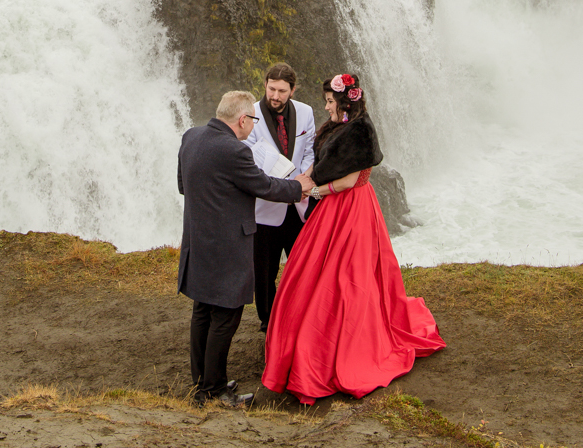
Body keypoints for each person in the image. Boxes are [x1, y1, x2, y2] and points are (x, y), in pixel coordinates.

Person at [260, 73, 444, 404]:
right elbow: (322, 165)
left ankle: (336, 340)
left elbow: (348, 181)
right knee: (320, 270)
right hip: (334, 208)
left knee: (346, 275)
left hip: (351, 208)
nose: (326, 107)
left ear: (345, 104)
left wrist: (313, 191)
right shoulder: (339, 126)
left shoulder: (360, 132)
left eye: (330, 102)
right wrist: (303, 181)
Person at [178, 90, 314, 407]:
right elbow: (263, 186)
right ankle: (215, 391)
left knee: (202, 313)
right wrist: (298, 187)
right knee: (225, 317)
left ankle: (201, 384)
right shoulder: (235, 150)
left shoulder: (191, 136)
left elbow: (184, 185)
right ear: (242, 120)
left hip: (198, 241)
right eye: (253, 120)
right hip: (227, 247)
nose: (254, 126)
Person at [244, 62, 318, 332]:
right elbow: (248, 158)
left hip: (299, 205)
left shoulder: (306, 112)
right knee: (264, 272)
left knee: (303, 267)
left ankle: (302, 315)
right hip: (265, 208)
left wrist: (303, 180)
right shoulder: (249, 114)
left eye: (282, 91)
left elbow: (310, 150)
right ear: (265, 85)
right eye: (271, 89)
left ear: (293, 90)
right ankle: (269, 321)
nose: (275, 96)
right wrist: (284, 187)